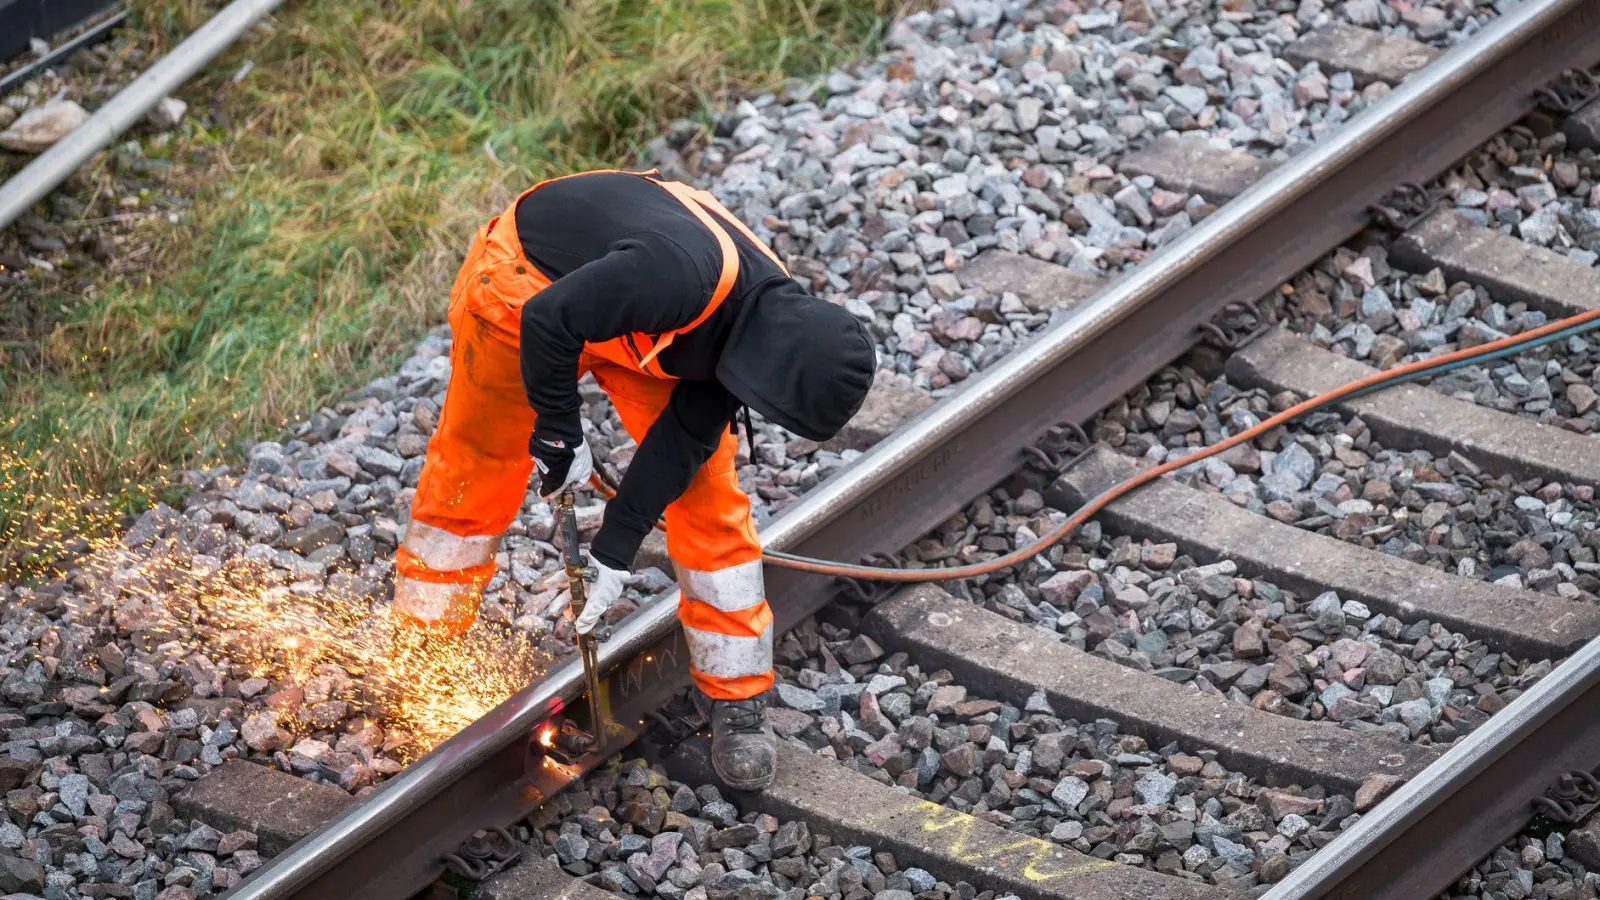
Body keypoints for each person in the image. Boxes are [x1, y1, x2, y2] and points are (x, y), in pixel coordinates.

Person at [391, 168, 876, 790]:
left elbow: (680, 446)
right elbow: (548, 319)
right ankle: (423, 649)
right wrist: (561, 431)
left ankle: (738, 696)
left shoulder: (767, 331)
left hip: (640, 313)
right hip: (528, 286)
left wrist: (614, 548)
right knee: (478, 467)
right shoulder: (676, 278)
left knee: (709, 499)